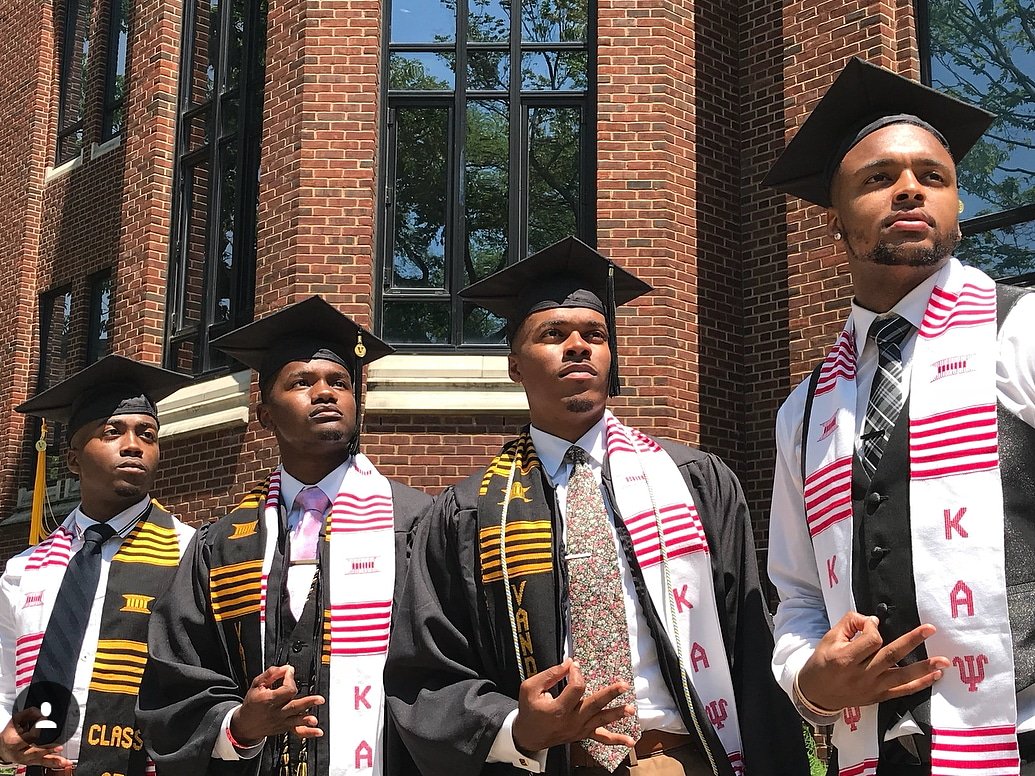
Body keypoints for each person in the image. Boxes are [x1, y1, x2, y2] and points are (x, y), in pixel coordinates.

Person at [384, 237, 810, 776]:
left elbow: (749, 643)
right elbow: (425, 671)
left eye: (595, 334)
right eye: (553, 335)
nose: (578, 346)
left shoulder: (696, 482)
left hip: (682, 759)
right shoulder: (464, 515)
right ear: (515, 365)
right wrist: (515, 725)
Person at [763, 57, 1035, 775]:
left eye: (932, 177)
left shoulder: (1020, 332)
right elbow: (795, 595)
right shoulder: (806, 407)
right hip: (878, 756)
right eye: (878, 178)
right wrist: (810, 681)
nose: (909, 188)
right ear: (833, 221)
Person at [136, 296, 431, 776]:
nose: (326, 393)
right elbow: (176, 678)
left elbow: (443, 671)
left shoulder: (418, 523)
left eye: (339, 382)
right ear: (264, 415)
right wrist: (241, 724)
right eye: (302, 382)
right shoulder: (223, 543)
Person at [0, 355, 195, 775]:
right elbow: (2, 683)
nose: (133, 445)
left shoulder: (190, 552)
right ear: (72, 460)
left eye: (148, 434)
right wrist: (6, 743)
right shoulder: (25, 569)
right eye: (113, 432)